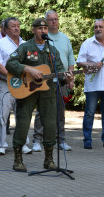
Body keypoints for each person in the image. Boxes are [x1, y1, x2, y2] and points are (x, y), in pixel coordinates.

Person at [6, 18, 73, 172]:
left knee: (50, 124)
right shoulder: (26, 47)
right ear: (33, 30)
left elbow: (60, 70)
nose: (43, 31)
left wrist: (66, 78)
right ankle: (18, 159)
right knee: (23, 123)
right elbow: (10, 63)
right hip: (27, 91)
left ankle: (49, 160)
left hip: (48, 91)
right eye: (39, 28)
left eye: (45, 28)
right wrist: (28, 70)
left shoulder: (52, 50)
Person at [32, 10, 76, 152]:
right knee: (41, 111)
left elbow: (70, 59)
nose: (53, 22)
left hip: (61, 80)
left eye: (55, 19)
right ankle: (37, 140)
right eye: (50, 20)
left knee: (60, 111)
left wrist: (70, 77)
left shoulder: (65, 38)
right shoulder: (42, 37)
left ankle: (60, 140)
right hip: (44, 81)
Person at [76, 19, 104, 150]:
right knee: (89, 113)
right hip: (93, 84)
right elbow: (79, 62)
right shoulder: (88, 43)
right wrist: (93, 65)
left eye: (101, 27)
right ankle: (87, 139)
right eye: (95, 27)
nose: (98, 29)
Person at [0, 17, 32, 155]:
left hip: (23, 85)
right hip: (5, 84)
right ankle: (1, 145)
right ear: (6, 29)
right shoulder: (0, 44)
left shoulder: (26, 44)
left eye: (18, 26)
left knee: (23, 115)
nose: (16, 28)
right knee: (3, 115)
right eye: (13, 26)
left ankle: (23, 143)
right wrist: (12, 76)